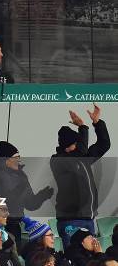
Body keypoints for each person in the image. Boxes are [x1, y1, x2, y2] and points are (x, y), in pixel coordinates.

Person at [50, 104, 110, 245]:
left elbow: (104, 145)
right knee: (76, 258)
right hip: (71, 220)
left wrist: (97, 123)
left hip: (88, 219)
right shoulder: (59, 160)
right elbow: (81, 152)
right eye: (76, 143)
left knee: (90, 261)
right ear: (67, 146)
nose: (80, 145)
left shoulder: (82, 159)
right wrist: (83, 127)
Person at [0, 141, 54, 246]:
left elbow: (30, 204)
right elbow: (1, 201)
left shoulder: (21, 175)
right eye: (16, 157)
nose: (19, 160)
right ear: (6, 159)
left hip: (16, 225)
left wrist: (42, 196)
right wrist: (20, 188)